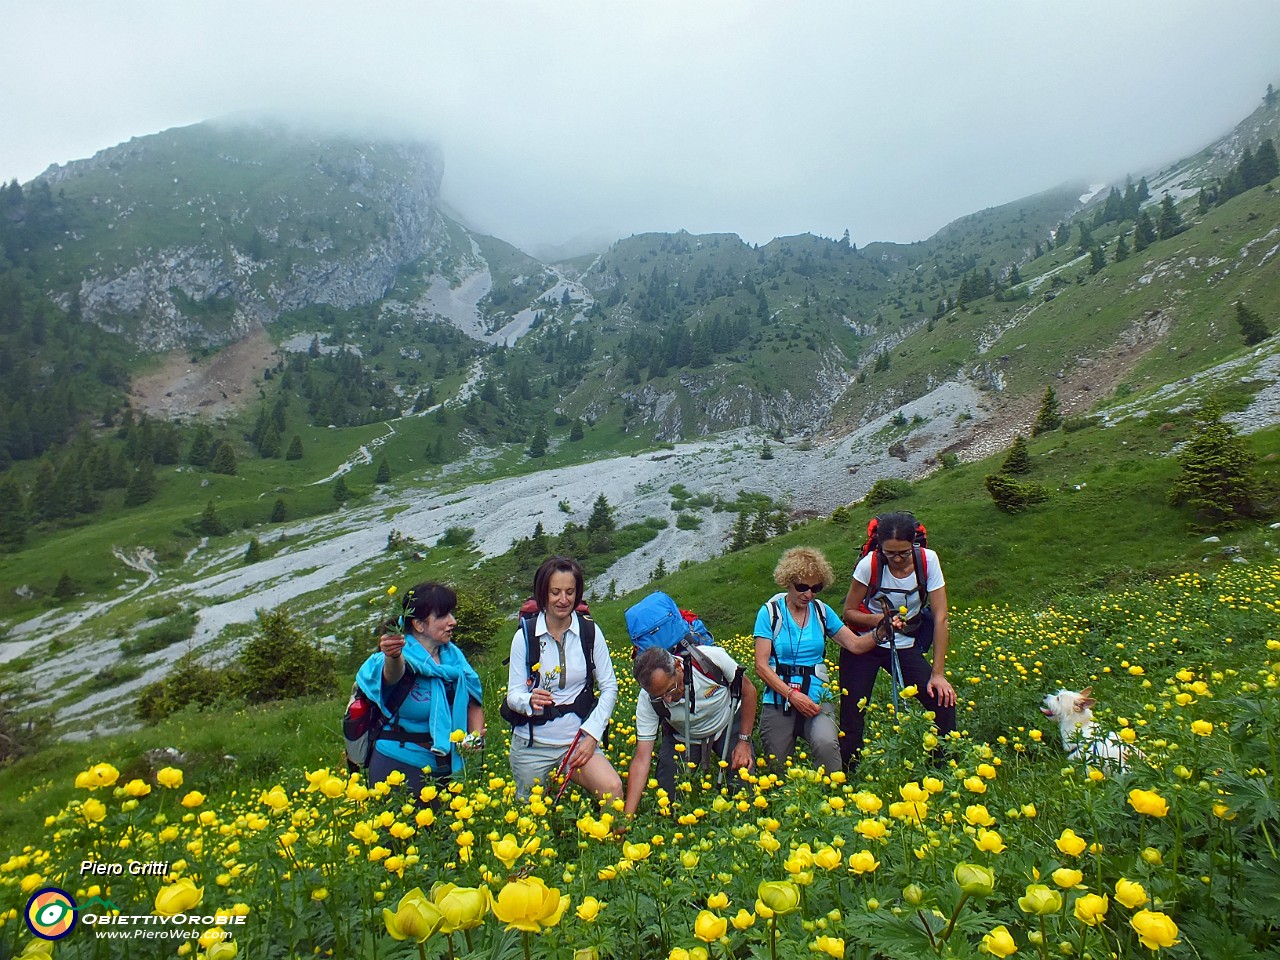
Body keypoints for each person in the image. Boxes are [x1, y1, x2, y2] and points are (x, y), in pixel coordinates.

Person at [840, 511, 957, 769]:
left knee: (942, 701)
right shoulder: (869, 565)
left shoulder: (928, 561)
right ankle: (847, 775)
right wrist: (881, 621)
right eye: (889, 553)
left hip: (903, 643)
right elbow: (849, 611)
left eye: (902, 553)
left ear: (913, 544)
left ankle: (943, 769)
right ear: (880, 548)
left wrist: (937, 674)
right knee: (852, 715)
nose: (897, 559)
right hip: (865, 642)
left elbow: (940, 618)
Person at [504, 556, 624, 802]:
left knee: (612, 788)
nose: (564, 600)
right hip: (532, 746)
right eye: (555, 592)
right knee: (530, 817)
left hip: (577, 743)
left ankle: (612, 841)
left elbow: (609, 686)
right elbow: (513, 695)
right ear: (542, 594)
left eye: (570, 592)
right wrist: (529, 700)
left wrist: (592, 736)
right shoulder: (525, 637)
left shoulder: (589, 632)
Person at [754, 547, 880, 774]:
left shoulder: (822, 611)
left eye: (816, 588)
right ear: (787, 582)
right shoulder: (769, 613)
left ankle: (833, 795)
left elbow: (854, 644)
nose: (809, 594)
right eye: (802, 587)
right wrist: (792, 695)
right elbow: (761, 666)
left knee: (826, 744)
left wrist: (881, 632)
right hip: (779, 696)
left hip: (817, 693)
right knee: (777, 762)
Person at [355, 582, 484, 796]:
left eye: (451, 613)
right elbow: (393, 674)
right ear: (419, 624)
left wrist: (475, 736)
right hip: (397, 764)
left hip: (447, 764)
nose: (453, 621)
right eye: (443, 616)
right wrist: (393, 656)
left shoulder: (453, 657)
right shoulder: (397, 657)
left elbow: (473, 701)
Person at [623, 642, 758, 816]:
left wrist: (744, 741)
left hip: (726, 724)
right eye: (660, 696)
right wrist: (626, 817)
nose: (669, 700)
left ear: (678, 666)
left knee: (744, 793)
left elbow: (749, 692)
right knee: (668, 806)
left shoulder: (711, 660)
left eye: (670, 689)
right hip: (682, 737)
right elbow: (642, 759)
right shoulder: (648, 700)